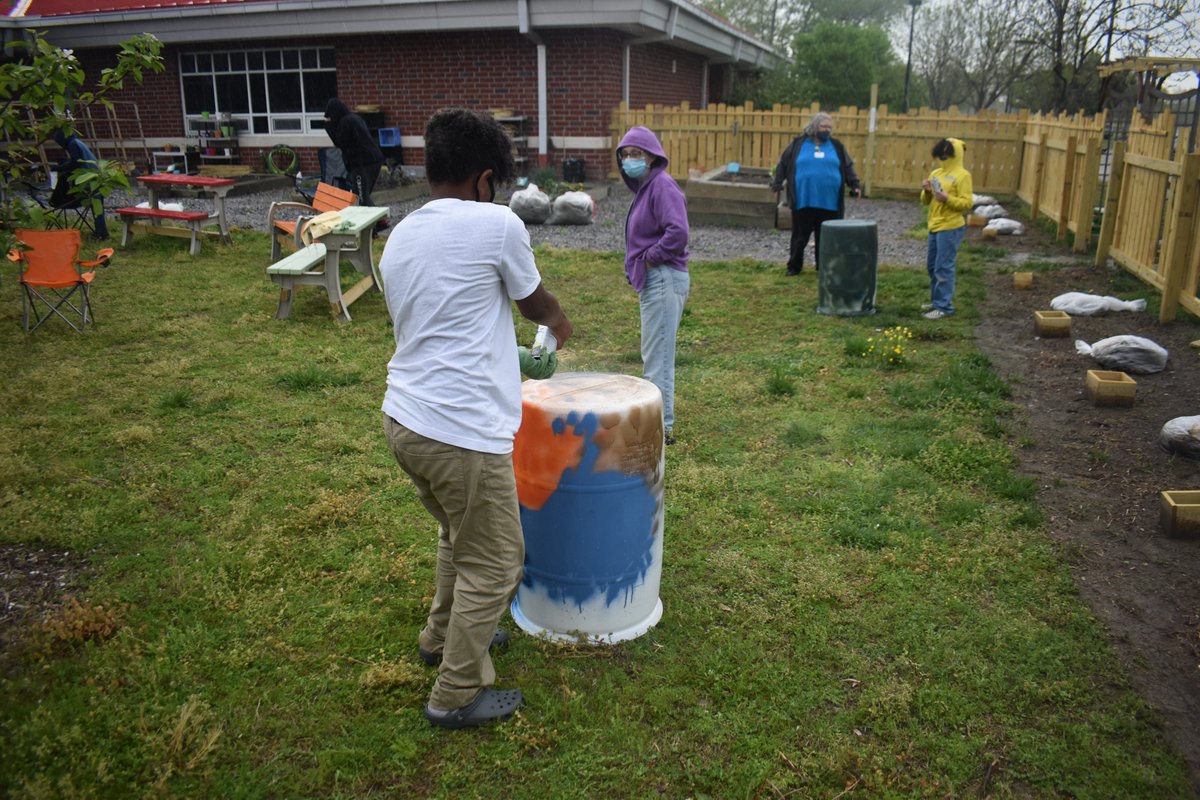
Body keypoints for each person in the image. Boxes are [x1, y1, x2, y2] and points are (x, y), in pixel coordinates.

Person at [378, 107, 573, 729]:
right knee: (495, 560)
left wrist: (499, 355)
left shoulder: (403, 232)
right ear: (486, 179)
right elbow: (533, 302)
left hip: (404, 419)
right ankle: (456, 693)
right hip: (460, 431)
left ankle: (441, 637)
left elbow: (440, 324)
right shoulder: (498, 224)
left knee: (457, 536)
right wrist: (559, 325)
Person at [616, 126, 689, 446]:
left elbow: (678, 233)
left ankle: (660, 429)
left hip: (663, 277)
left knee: (657, 356)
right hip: (655, 278)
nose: (630, 160)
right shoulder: (646, 188)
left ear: (652, 157)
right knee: (655, 353)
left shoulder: (662, 186)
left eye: (637, 154)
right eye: (625, 155)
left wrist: (647, 260)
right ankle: (660, 425)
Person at [770, 112, 861, 275]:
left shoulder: (837, 146)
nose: (827, 130)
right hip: (804, 199)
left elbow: (847, 167)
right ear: (813, 127)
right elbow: (783, 164)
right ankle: (794, 267)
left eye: (829, 127)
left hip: (830, 201)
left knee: (827, 238)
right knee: (799, 237)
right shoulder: (798, 144)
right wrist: (776, 185)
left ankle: (825, 267)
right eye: (824, 127)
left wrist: (855, 184)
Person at [919, 137, 973, 320]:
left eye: (946, 153)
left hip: (950, 227)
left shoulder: (963, 176)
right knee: (932, 266)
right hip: (934, 224)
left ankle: (944, 307)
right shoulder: (936, 173)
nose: (943, 156)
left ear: (954, 154)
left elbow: (967, 203)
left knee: (944, 267)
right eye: (940, 153)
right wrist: (926, 191)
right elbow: (925, 201)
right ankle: (936, 302)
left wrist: (947, 199)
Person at [323, 99, 386, 229]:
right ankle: (376, 224)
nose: (330, 119)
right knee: (364, 195)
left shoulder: (345, 122)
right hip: (373, 160)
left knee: (361, 197)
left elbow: (341, 143)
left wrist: (329, 128)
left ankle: (378, 223)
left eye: (330, 117)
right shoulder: (354, 118)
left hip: (362, 163)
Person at [50, 128, 110, 240]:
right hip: (95, 177)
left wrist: (59, 168)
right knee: (97, 208)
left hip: (90, 179)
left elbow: (75, 164)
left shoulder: (72, 144)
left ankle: (101, 233)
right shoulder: (77, 142)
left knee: (97, 208)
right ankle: (102, 232)